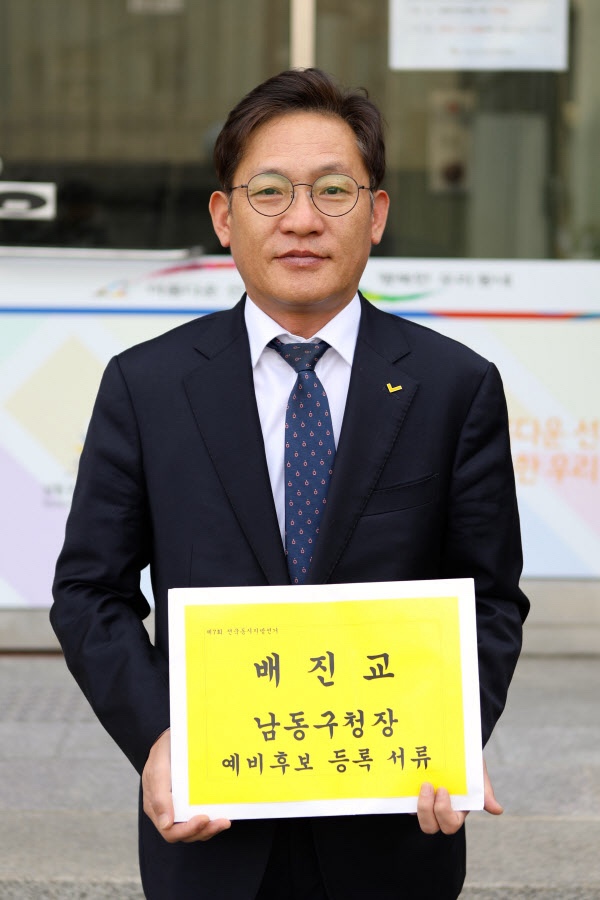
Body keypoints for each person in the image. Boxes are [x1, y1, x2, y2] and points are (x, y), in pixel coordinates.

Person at [51, 68, 529, 900]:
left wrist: (452, 734)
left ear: (376, 215)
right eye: (269, 191)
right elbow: (91, 591)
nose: (302, 220)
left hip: (391, 831)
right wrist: (161, 739)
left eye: (334, 191)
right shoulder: (147, 386)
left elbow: (489, 597)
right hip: (214, 832)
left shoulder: (454, 386)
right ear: (223, 216)